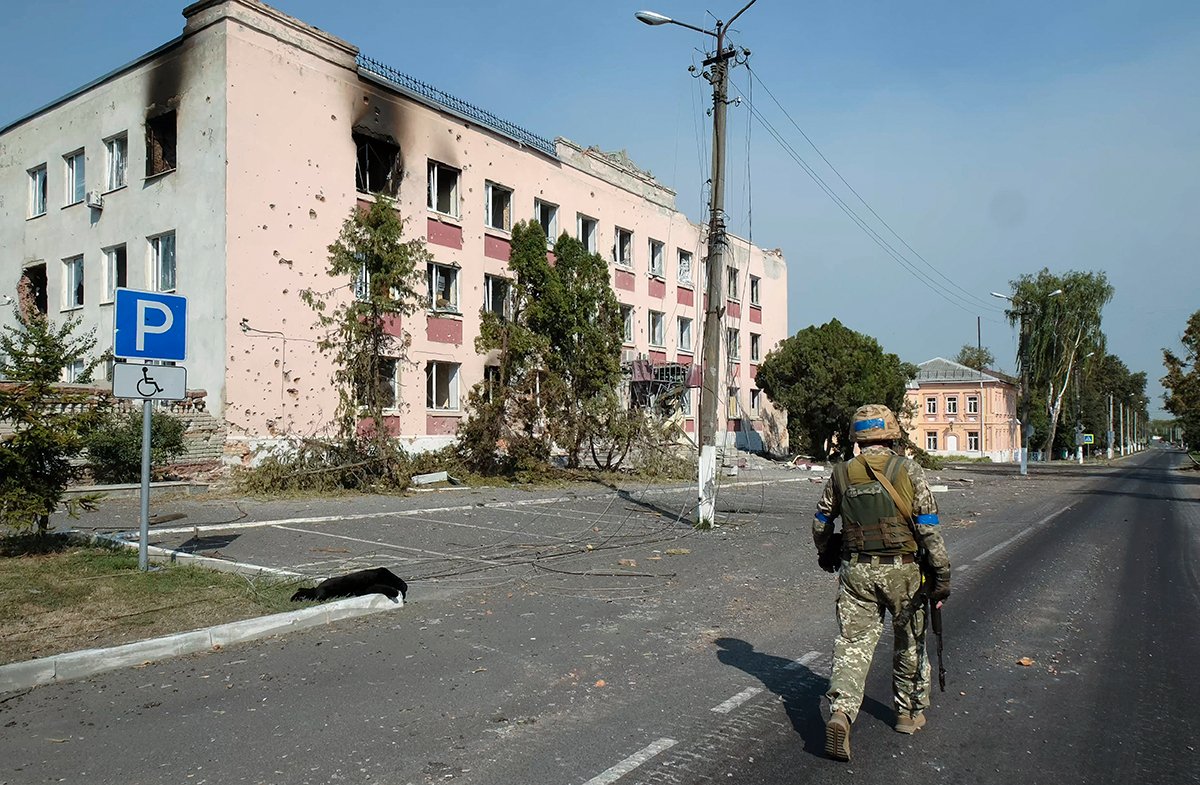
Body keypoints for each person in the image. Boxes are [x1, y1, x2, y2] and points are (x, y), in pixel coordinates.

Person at [812, 404, 951, 762]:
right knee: (909, 642)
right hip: (903, 572)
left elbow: (820, 522)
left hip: (856, 571)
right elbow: (928, 527)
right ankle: (907, 714)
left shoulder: (841, 473)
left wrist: (826, 552)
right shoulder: (909, 470)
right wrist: (941, 574)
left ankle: (841, 712)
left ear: (858, 439)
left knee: (852, 643)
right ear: (892, 435)